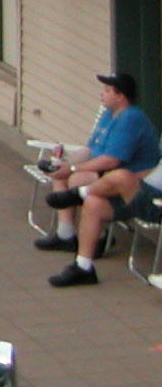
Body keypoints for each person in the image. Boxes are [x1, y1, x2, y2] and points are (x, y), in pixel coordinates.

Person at [39, 71, 162, 285]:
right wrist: (67, 165)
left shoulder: (132, 118)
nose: (101, 94)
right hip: (124, 190)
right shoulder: (109, 115)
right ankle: (84, 267)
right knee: (94, 203)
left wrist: (73, 170)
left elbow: (113, 161)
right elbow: (91, 149)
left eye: (107, 90)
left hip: (152, 200)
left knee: (118, 175)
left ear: (121, 96)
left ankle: (79, 194)